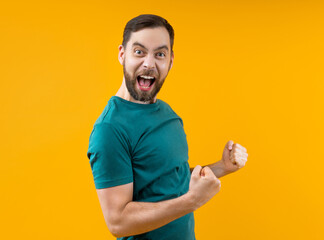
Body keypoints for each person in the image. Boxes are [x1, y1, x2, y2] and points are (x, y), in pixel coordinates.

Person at [87, 14, 249, 240]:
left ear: (170, 61)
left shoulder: (167, 113)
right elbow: (118, 221)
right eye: (139, 52)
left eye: (159, 54)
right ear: (122, 55)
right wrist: (192, 201)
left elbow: (171, 181)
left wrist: (221, 167)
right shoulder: (110, 130)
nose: (149, 63)